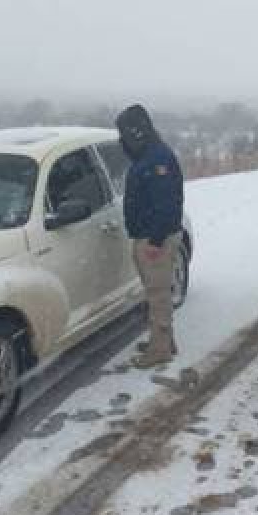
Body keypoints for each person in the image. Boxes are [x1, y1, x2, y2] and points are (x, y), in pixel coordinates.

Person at [116, 104, 184, 368]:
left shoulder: (158, 160)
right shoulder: (148, 154)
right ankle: (164, 340)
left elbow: (167, 204)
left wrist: (155, 241)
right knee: (156, 293)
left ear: (136, 131)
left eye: (124, 132)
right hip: (150, 236)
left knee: (158, 296)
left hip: (157, 239)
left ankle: (160, 350)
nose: (122, 139)